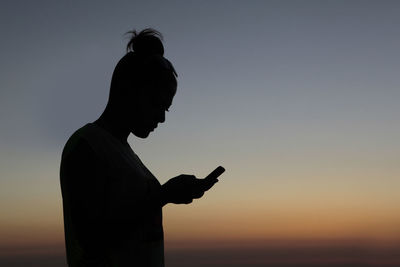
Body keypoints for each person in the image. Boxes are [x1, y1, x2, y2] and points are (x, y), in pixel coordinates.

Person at [60, 28, 221, 267]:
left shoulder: (124, 153)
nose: (162, 118)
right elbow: (91, 238)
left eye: (166, 109)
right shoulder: (87, 146)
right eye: (158, 104)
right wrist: (163, 195)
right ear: (130, 90)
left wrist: (167, 195)